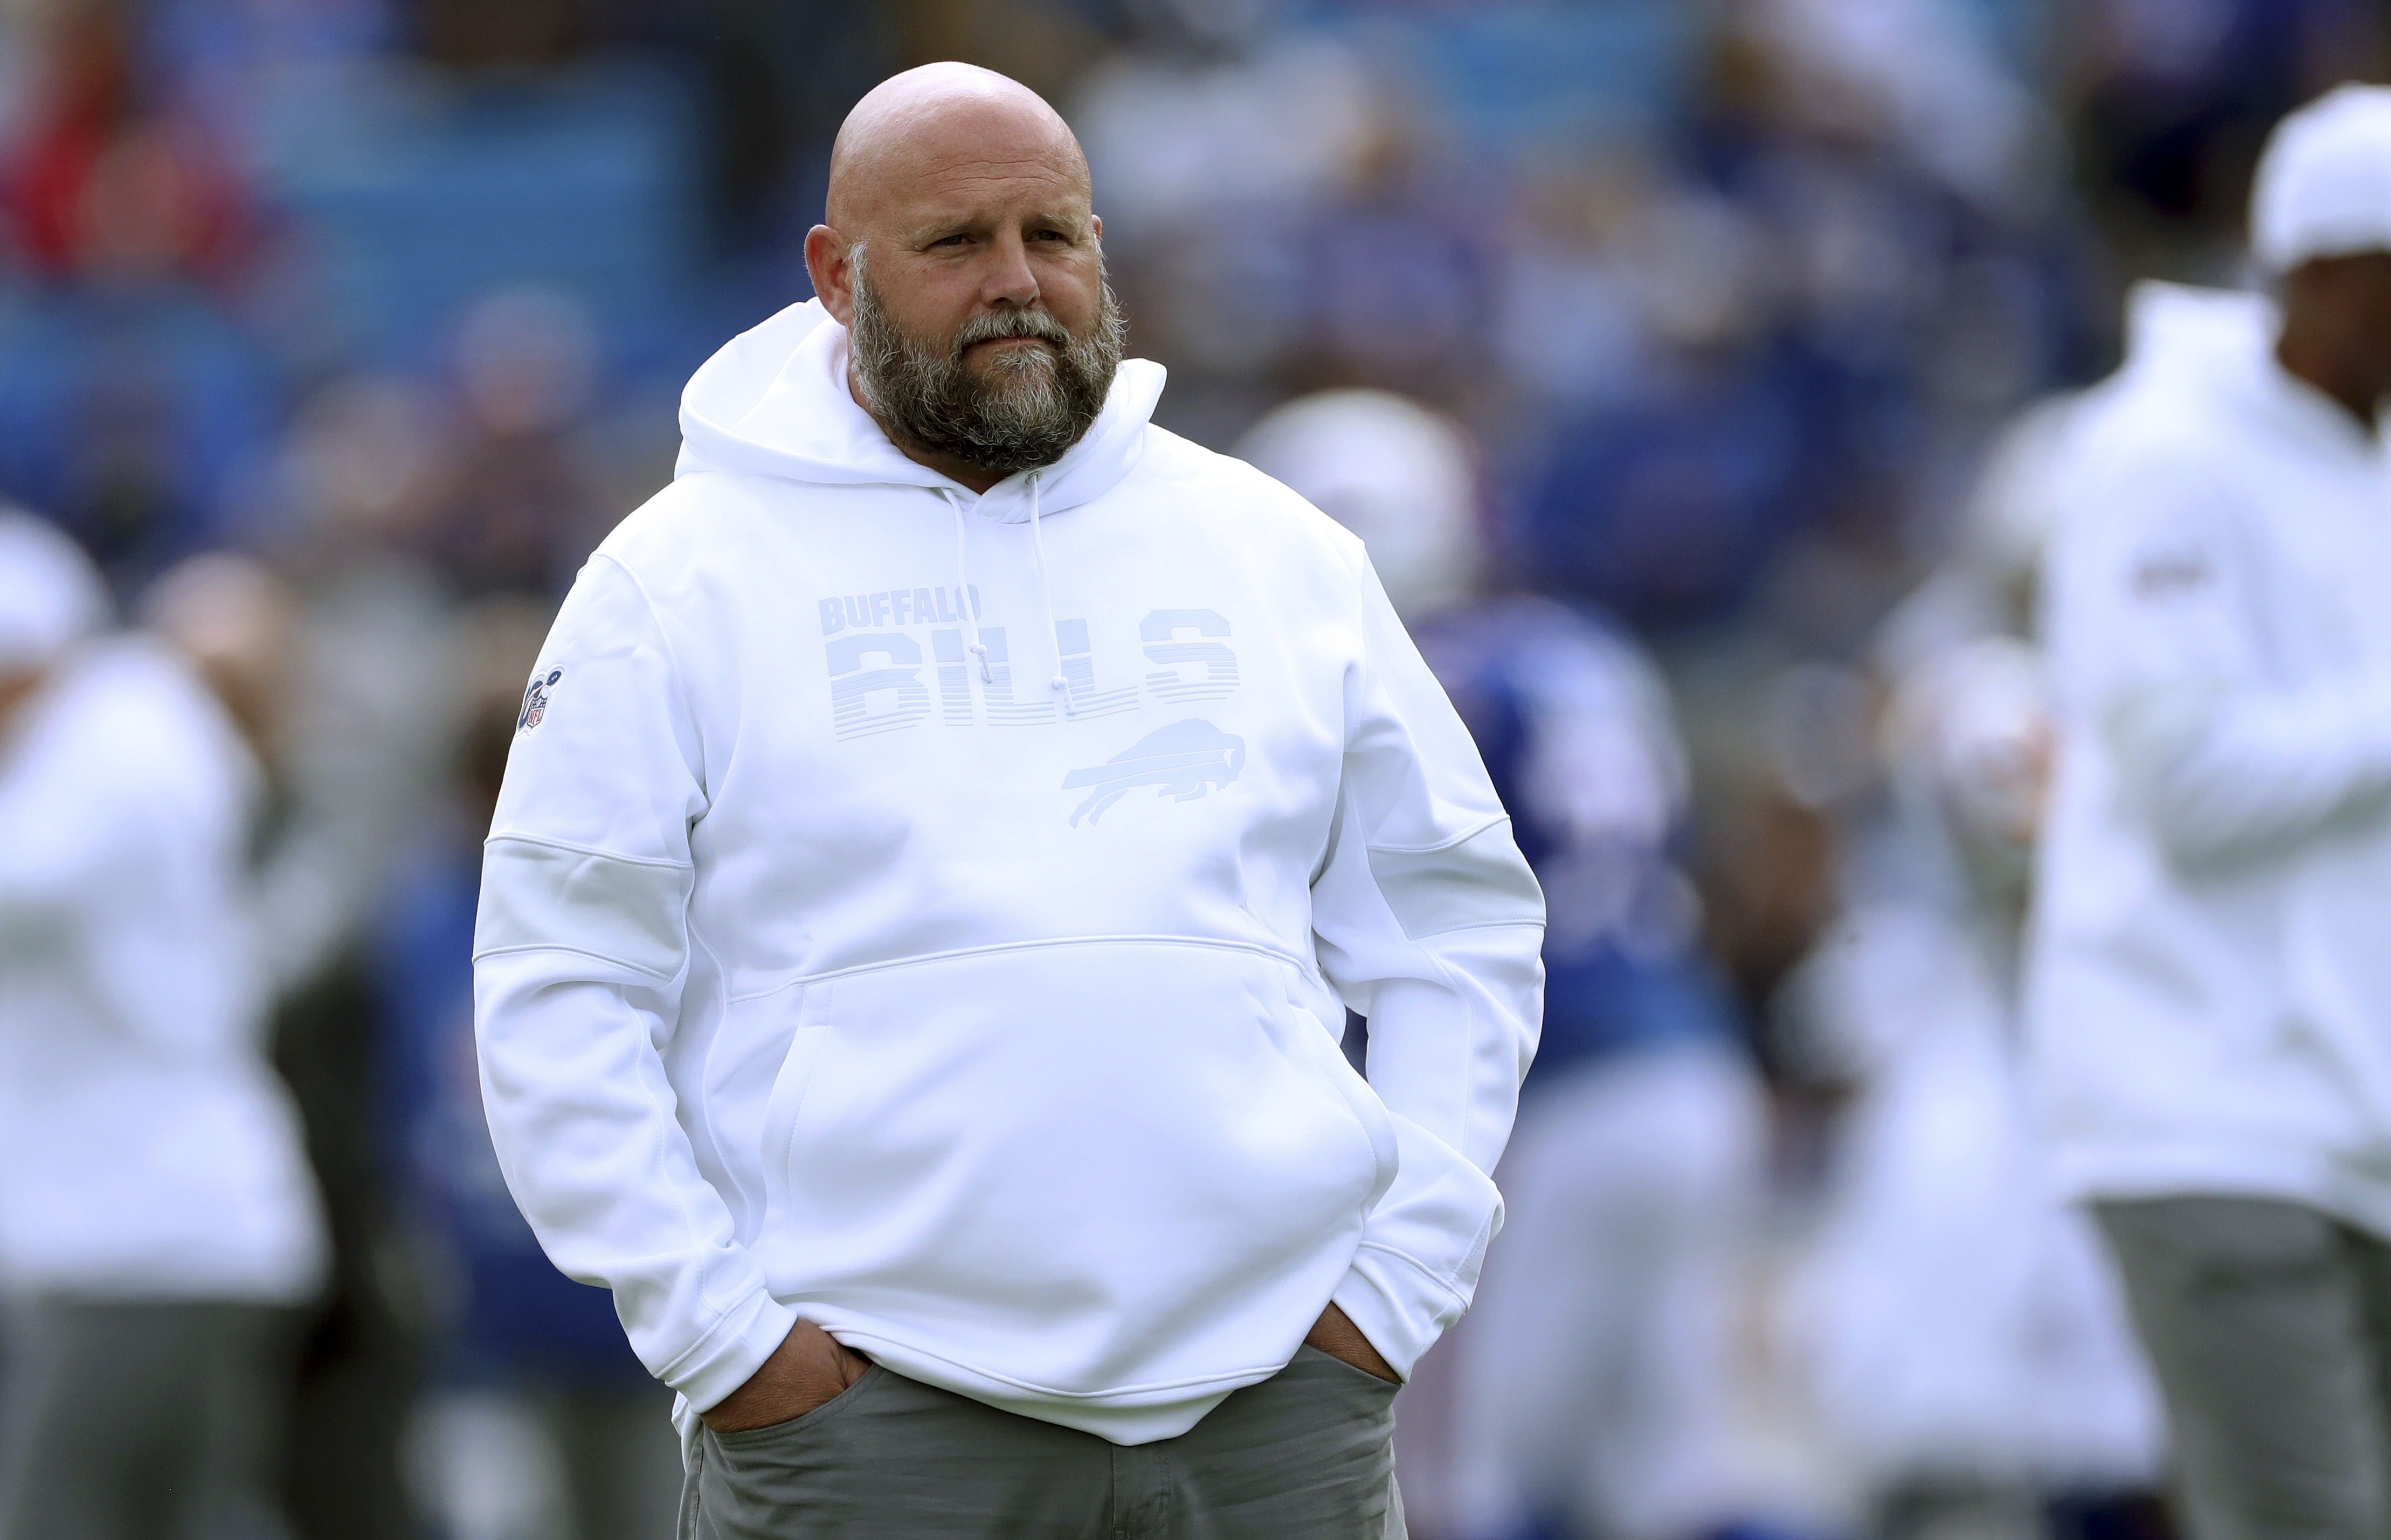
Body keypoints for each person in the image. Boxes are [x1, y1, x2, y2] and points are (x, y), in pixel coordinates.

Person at [472, 64, 1544, 1539]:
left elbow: (1456, 931)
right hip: (874, 1422)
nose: (1018, 284)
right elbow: (556, 988)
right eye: (955, 243)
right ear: (833, 276)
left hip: (1276, 1417)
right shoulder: (672, 581)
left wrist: (1389, 1293)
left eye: (1053, 234)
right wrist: (725, 1341)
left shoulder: (1275, 548)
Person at [1240, 390, 1766, 1540]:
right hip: (1692, 1065)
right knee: (1673, 1478)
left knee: (1458, 1482)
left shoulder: (1395, 681)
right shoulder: (1579, 648)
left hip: (1538, 1104)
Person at [2027, 83, 2391, 1540]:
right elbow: (2192, 787)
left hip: (2346, 1104)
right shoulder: (2158, 455)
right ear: (2320, 270)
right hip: (2204, 1102)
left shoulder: (2360, 457)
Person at [0, 517, 327, 1539]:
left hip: (152, 1237)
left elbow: (23, 885)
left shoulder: (114, 732)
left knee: (61, 1510)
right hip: (152, 1233)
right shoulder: (123, 727)